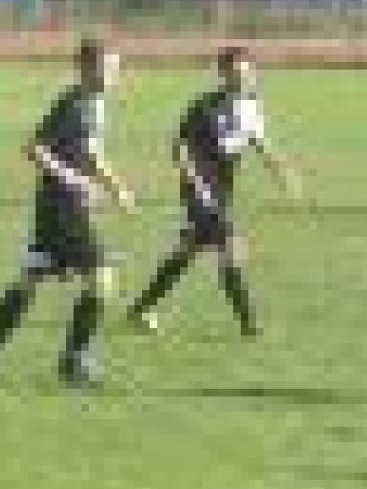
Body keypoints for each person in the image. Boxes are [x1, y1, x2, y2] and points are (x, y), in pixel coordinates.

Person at [0, 40, 134, 390]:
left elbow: (92, 150)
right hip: (63, 206)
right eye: (107, 68)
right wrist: (78, 181)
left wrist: (115, 185)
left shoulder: (94, 104)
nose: (114, 75)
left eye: (117, 68)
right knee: (102, 279)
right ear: (85, 68)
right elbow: (34, 148)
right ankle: (75, 360)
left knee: (30, 279)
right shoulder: (70, 105)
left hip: (55, 206)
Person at [127, 46, 300, 339]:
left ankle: (142, 308)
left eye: (246, 73)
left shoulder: (252, 105)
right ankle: (249, 325)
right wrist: (195, 182)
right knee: (230, 248)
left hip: (222, 188)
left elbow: (259, 141)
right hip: (200, 188)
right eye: (236, 74)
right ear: (223, 74)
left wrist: (281, 171)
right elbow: (178, 146)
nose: (243, 78)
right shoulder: (204, 106)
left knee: (187, 252)